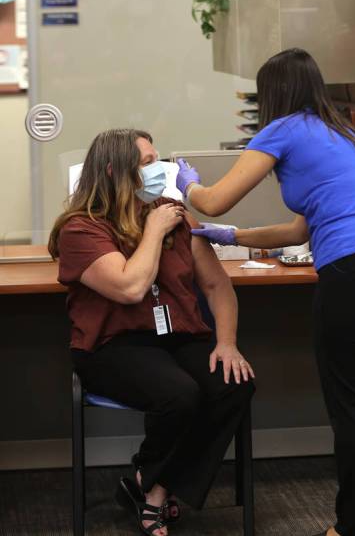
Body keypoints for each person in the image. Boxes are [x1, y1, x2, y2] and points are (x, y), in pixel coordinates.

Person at [176, 48, 355, 536]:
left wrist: (190, 186)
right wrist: (233, 237)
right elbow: (297, 231)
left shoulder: (281, 130)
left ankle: (350, 527)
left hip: (352, 271)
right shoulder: (348, 137)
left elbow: (216, 200)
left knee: (350, 404)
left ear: (273, 94)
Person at [48, 128, 254, 536]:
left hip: (177, 336)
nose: (159, 170)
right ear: (113, 171)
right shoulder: (82, 229)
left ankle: (153, 483)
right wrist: (154, 232)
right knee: (179, 395)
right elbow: (130, 287)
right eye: (146, 163)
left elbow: (217, 286)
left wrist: (227, 343)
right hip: (111, 346)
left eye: (157, 159)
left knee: (233, 382)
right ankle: (158, 487)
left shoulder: (174, 215)